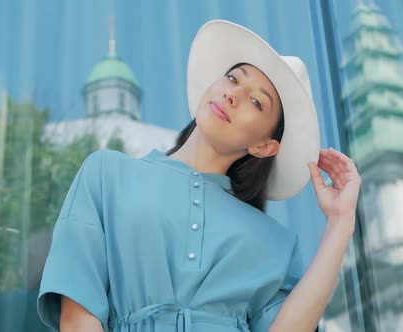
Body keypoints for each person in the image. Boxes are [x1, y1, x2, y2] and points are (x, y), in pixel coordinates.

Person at [36, 20, 361, 332]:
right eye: (234, 79)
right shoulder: (107, 175)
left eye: (256, 102)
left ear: (264, 146)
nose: (232, 95)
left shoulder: (275, 242)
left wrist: (340, 222)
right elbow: (78, 316)